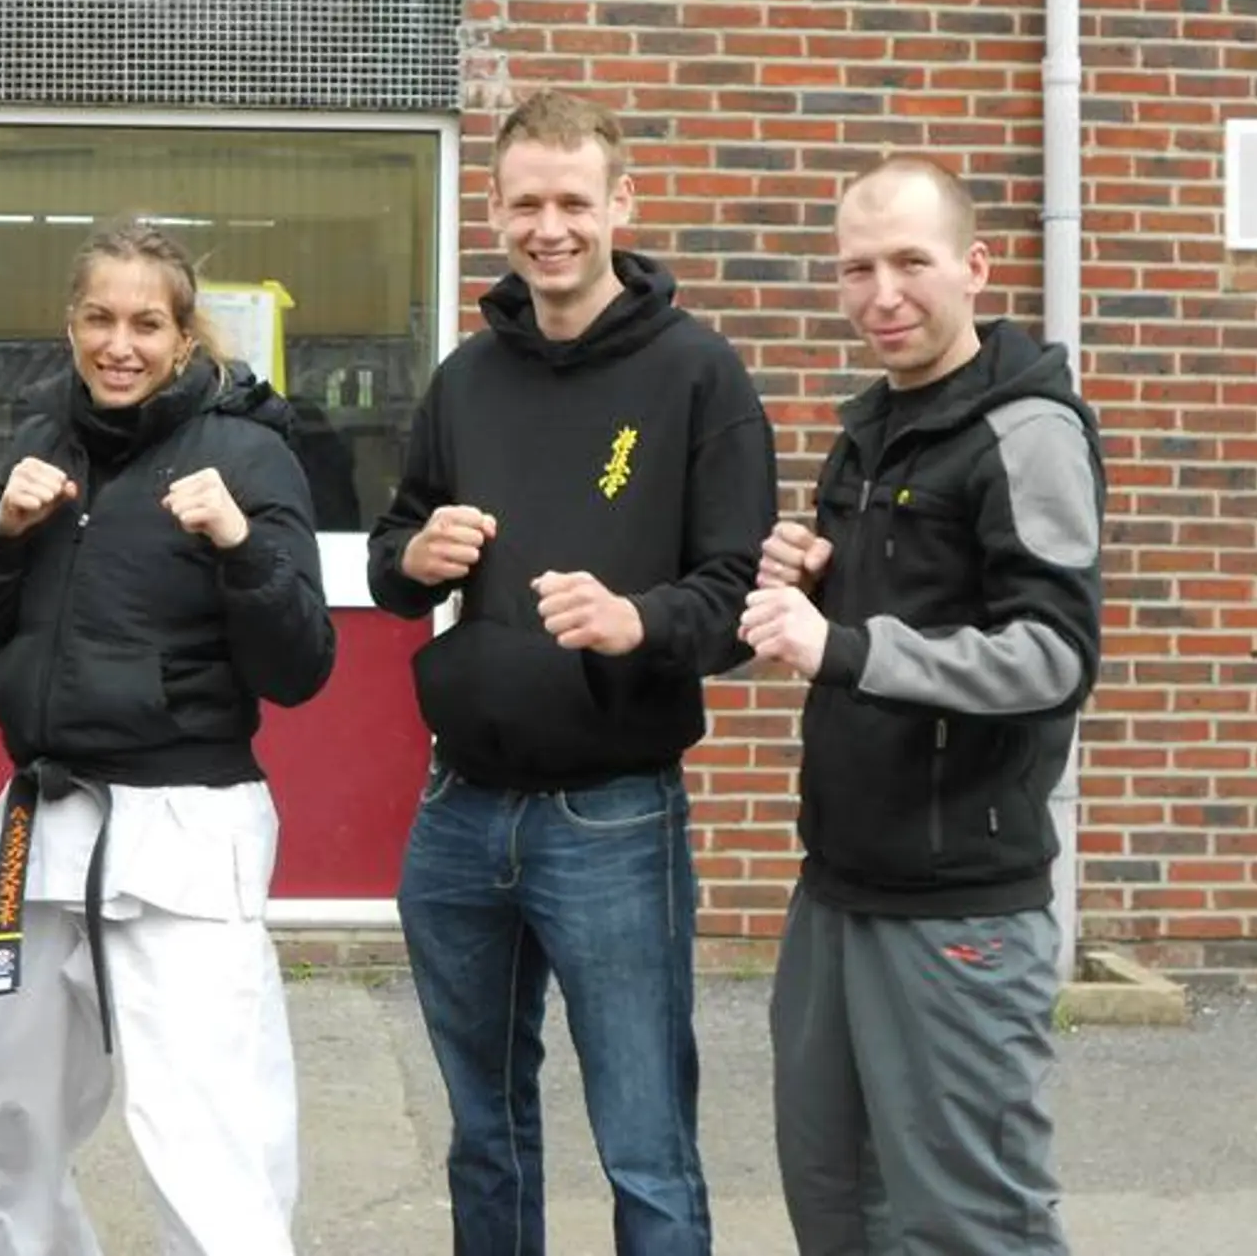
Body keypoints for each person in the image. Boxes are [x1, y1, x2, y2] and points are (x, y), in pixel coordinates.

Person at [367, 90, 777, 1256]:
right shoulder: (464, 377)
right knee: (482, 1132)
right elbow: (394, 557)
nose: (548, 226)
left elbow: (741, 599)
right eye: (525, 202)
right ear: (494, 210)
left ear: (620, 205)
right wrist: (414, 554)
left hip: (611, 815)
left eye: (572, 201)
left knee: (643, 1142)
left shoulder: (698, 376)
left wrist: (632, 622)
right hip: (457, 811)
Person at [0, 219, 336, 1256]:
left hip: (184, 824)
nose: (120, 343)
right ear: (70, 322)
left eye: (146, 323)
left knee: (207, 1135)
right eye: (99, 318)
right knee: (10, 1120)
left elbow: (300, 665)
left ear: (182, 331)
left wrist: (239, 543)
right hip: (38, 823)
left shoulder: (246, 451)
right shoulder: (32, 439)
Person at [739, 156, 1104, 1256]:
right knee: (837, 1204)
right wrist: (809, 573)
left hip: (958, 906)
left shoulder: (1023, 429)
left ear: (974, 267)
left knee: (965, 1222)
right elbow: (906, 600)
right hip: (840, 884)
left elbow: (1049, 654)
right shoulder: (873, 426)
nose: (880, 293)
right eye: (855, 267)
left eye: (909, 262)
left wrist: (841, 642)